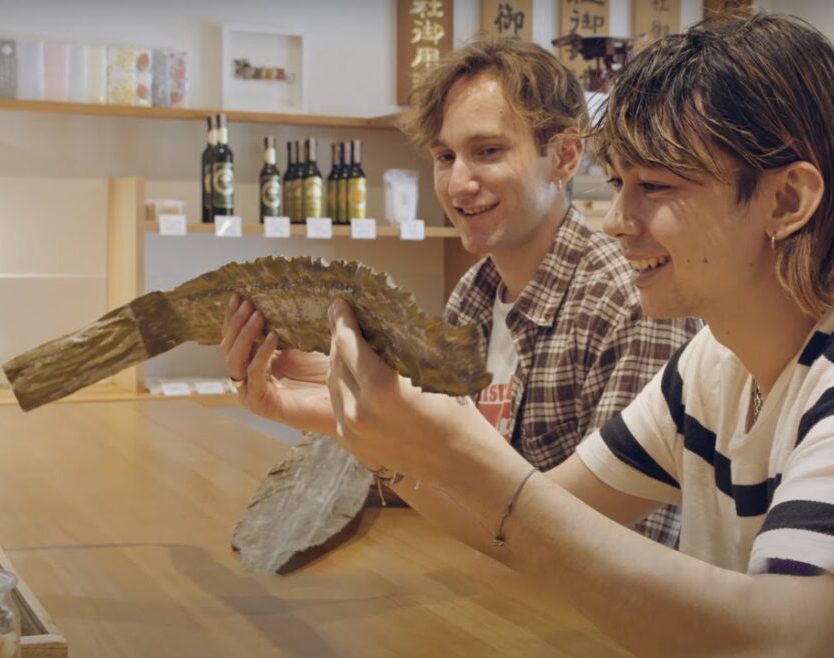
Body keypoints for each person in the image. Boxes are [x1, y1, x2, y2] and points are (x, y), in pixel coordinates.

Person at [321, 9, 834, 658]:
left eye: (657, 187)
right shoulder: (714, 362)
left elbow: (779, 638)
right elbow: (540, 519)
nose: (618, 221)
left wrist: (457, 454)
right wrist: (366, 428)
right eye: (620, 185)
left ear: (787, 199)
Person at [221, 38, 698, 546]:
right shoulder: (474, 293)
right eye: (445, 156)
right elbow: (442, 477)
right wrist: (332, 392)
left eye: (488, 152)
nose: (458, 184)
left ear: (563, 157)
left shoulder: (632, 301)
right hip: (488, 589)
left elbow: (621, 544)